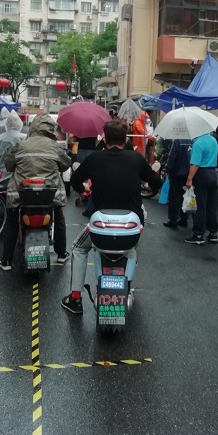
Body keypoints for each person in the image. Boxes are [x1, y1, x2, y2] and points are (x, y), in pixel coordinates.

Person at [61, 119, 162, 314]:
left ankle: (75, 298)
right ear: (126, 140)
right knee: (131, 248)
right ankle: (127, 287)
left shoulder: (94, 158)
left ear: (105, 140)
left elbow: (75, 180)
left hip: (100, 228)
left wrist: (85, 188)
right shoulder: (137, 159)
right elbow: (156, 182)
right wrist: (148, 185)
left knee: (78, 248)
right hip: (130, 228)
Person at [0, 114, 71, 270]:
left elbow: (9, 165)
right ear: (50, 129)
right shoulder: (55, 147)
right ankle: (61, 254)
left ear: (32, 128)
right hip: (49, 195)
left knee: (11, 222)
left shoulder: (21, 145)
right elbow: (66, 165)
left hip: (21, 195)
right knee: (58, 217)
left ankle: (6, 261)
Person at [184, 131, 218, 245]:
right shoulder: (213, 140)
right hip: (213, 173)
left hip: (202, 174)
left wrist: (189, 179)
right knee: (211, 205)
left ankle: (198, 234)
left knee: (200, 205)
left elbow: (195, 164)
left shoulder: (198, 143)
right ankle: (213, 233)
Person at [0, 110, 25, 189]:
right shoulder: (25, 138)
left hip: (1, 176)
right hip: (19, 177)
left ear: (6, 124)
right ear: (20, 124)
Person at [163, 139, 192, 229]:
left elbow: (172, 156)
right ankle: (184, 219)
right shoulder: (192, 140)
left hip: (177, 173)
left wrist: (167, 169)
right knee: (185, 197)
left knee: (174, 197)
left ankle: (173, 219)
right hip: (189, 173)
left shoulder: (177, 141)